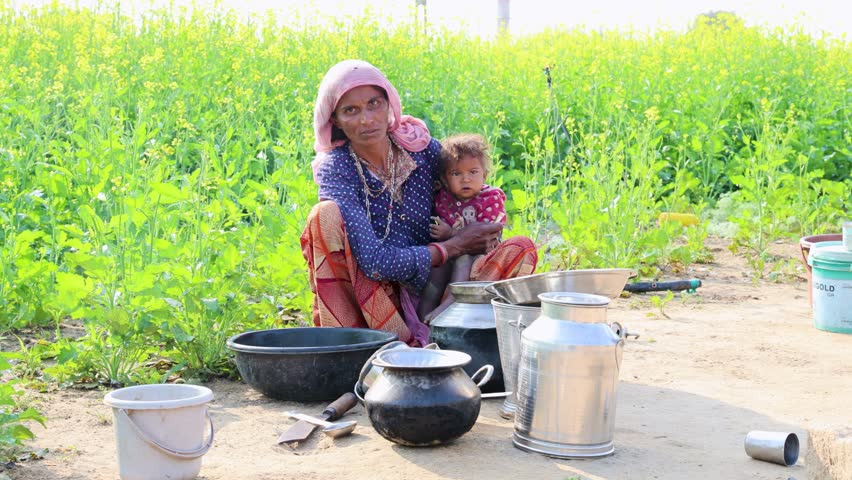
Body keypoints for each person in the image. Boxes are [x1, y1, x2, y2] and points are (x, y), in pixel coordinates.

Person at [300, 59, 538, 346]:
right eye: (351, 110)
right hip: (376, 300)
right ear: (335, 120)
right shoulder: (337, 168)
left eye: (374, 104)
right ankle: (361, 346)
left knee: (520, 248)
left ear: (389, 104)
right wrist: (452, 246)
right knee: (323, 216)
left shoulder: (421, 150)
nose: (366, 119)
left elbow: (468, 190)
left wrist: (478, 230)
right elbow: (374, 263)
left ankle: (456, 334)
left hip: (441, 289)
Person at [417, 133, 507, 323]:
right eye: (456, 174)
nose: (465, 179)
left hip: (479, 254)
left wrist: (450, 233)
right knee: (435, 272)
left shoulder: (490, 198)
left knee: (462, 261)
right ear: (445, 179)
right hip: (450, 251)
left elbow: (485, 233)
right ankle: (421, 319)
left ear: (485, 175)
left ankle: (451, 302)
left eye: (473, 172)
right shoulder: (443, 196)